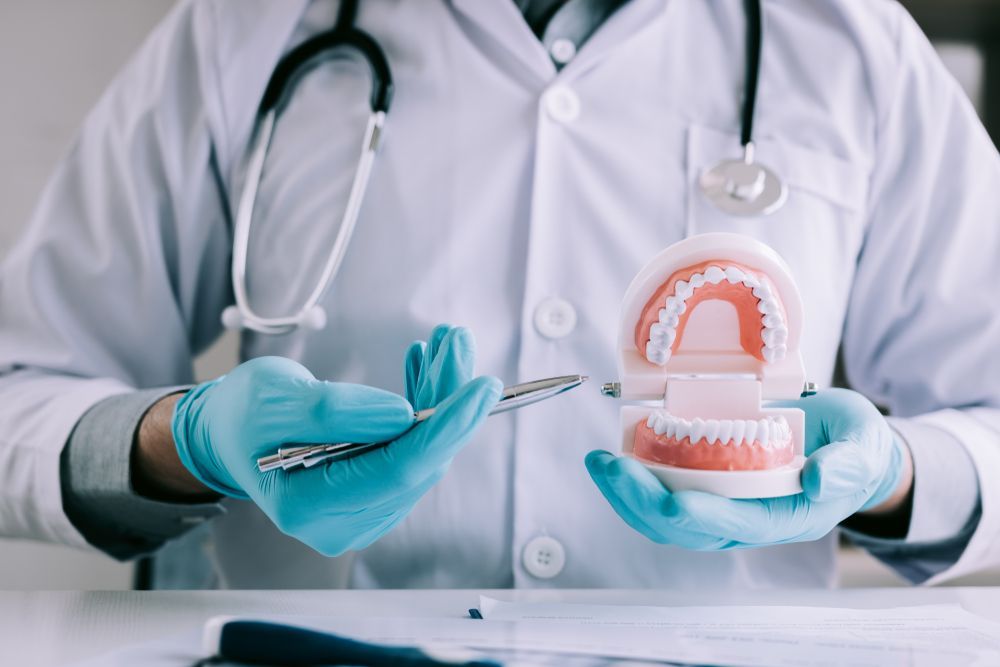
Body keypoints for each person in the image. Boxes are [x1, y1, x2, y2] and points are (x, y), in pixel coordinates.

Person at [0, 0, 997, 590]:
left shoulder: (851, 42)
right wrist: (183, 442)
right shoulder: (243, 27)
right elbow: (19, 385)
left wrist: (890, 472)